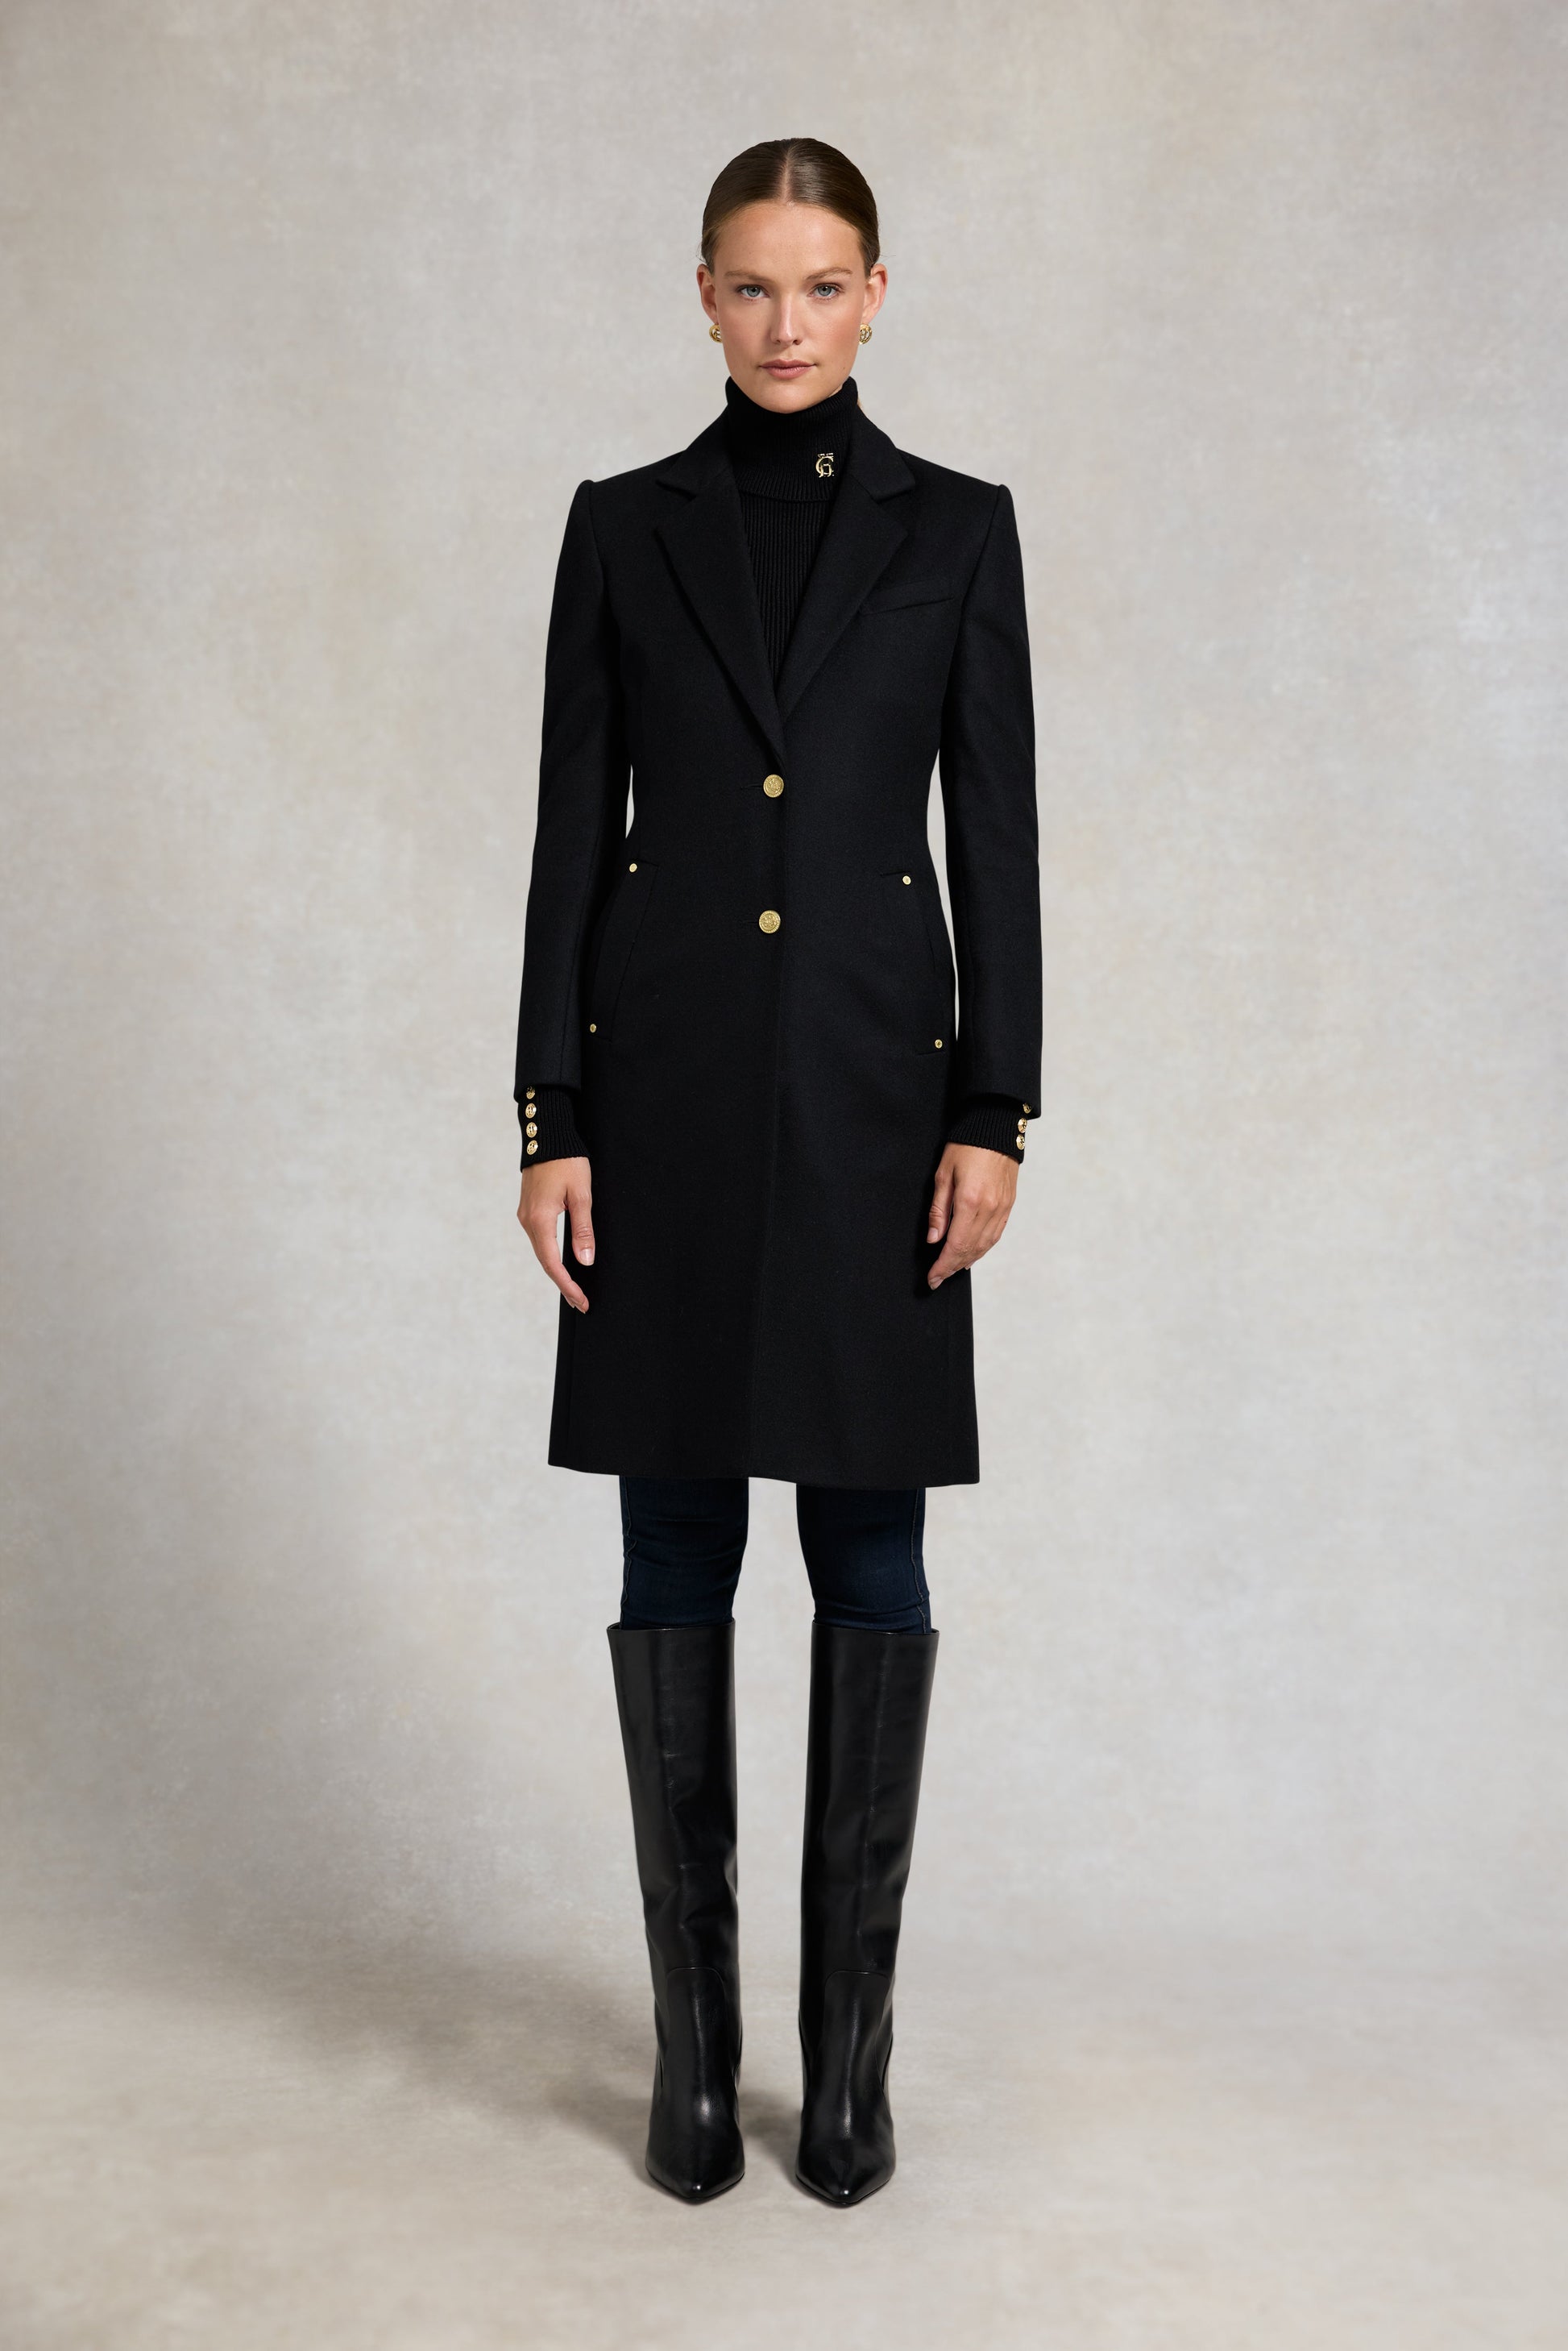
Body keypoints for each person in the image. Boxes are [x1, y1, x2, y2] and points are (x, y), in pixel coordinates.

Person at [512, 137, 1040, 2207]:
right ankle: (690, 2061)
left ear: (877, 293)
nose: (786, 322)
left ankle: (846, 2075)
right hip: (659, 1104)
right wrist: (551, 1118)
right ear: (703, 295)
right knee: (671, 1549)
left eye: (822, 285)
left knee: (869, 1551)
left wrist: (994, 1107)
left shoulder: (958, 528)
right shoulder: (622, 525)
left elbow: (995, 833)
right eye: (752, 285)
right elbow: (572, 838)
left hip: (873, 1105)